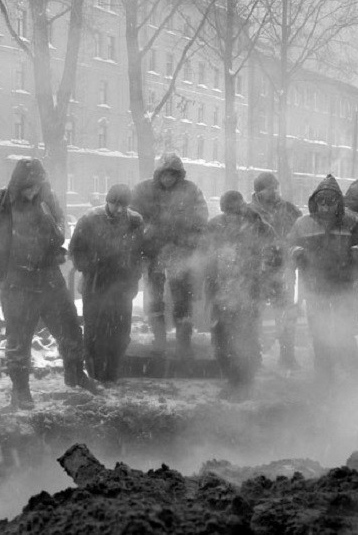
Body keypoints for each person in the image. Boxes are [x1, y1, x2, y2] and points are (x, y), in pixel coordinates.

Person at [0, 158, 99, 410]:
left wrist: (55, 250)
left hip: (50, 279)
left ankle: (75, 374)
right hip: (17, 283)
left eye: (37, 186)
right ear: (17, 184)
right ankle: (20, 389)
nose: (32, 191)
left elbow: (60, 225)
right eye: (27, 186)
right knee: (19, 339)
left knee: (71, 330)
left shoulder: (47, 201)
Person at [288, 174, 358, 384]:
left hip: (344, 286)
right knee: (319, 332)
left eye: (330, 202)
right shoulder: (302, 224)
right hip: (315, 287)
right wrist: (295, 251)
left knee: (344, 330)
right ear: (315, 202)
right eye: (321, 202)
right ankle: (324, 376)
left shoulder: (352, 222)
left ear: (338, 202)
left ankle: (352, 374)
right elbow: (287, 245)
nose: (325, 207)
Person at [131, 152, 208, 359]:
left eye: (172, 174)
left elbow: (201, 218)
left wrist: (186, 238)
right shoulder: (144, 189)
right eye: (164, 174)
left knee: (182, 296)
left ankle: (184, 341)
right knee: (154, 296)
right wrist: (145, 234)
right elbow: (132, 217)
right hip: (152, 251)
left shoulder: (191, 191)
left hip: (180, 251)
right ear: (158, 174)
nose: (168, 178)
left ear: (179, 175)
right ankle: (159, 340)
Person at [203, 191, 277, 400]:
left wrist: (263, 283)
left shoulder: (258, 227)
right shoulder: (216, 226)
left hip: (248, 293)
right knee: (221, 340)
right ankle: (231, 379)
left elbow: (272, 256)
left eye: (235, 213)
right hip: (222, 292)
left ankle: (245, 383)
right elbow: (206, 256)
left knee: (244, 339)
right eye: (227, 213)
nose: (231, 218)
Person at [69, 184, 144, 383]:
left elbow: (141, 253)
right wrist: (91, 266)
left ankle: (113, 371)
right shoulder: (90, 219)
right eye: (114, 204)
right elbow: (75, 250)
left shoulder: (135, 221)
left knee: (120, 332)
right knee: (94, 331)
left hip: (122, 286)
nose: (119, 209)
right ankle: (95, 373)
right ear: (107, 202)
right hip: (96, 284)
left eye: (123, 205)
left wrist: (134, 275)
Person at [247, 172, 303, 368]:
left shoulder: (289, 209)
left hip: (284, 267)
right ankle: (253, 355)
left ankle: (287, 355)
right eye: (269, 188)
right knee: (254, 314)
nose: (274, 191)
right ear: (259, 191)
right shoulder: (249, 212)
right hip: (257, 270)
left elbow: (300, 230)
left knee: (286, 312)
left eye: (275, 187)